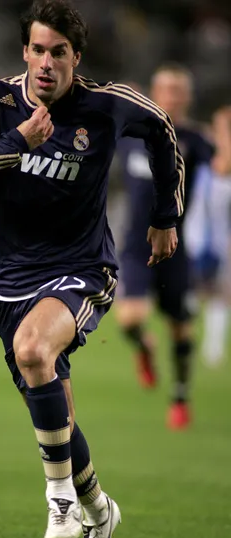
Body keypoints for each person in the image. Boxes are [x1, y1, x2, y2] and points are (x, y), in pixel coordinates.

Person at [0, 0, 183, 538]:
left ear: (77, 57)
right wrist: (18, 141)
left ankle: (59, 500)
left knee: (32, 350)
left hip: (83, 269)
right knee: (54, 410)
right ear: (24, 51)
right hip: (9, 284)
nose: (45, 63)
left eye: (58, 53)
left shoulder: (106, 106)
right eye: (37, 50)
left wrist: (166, 216)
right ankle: (100, 512)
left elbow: (163, 131)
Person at [114, 64, 213, 430]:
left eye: (177, 89)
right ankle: (144, 347)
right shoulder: (130, 132)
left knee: (181, 327)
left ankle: (181, 396)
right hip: (136, 248)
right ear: (154, 92)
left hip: (174, 248)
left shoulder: (194, 140)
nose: (171, 95)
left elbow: (221, 166)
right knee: (129, 319)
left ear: (186, 96)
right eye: (165, 88)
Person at [185, 105, 231, 367]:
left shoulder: (222, 169)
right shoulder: (200, 163)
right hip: (191, 237)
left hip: (215, 241)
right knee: (192, 293)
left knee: (217, 295)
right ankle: (188, 337)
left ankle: (213, 348)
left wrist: (221, 123)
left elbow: (224, 160)